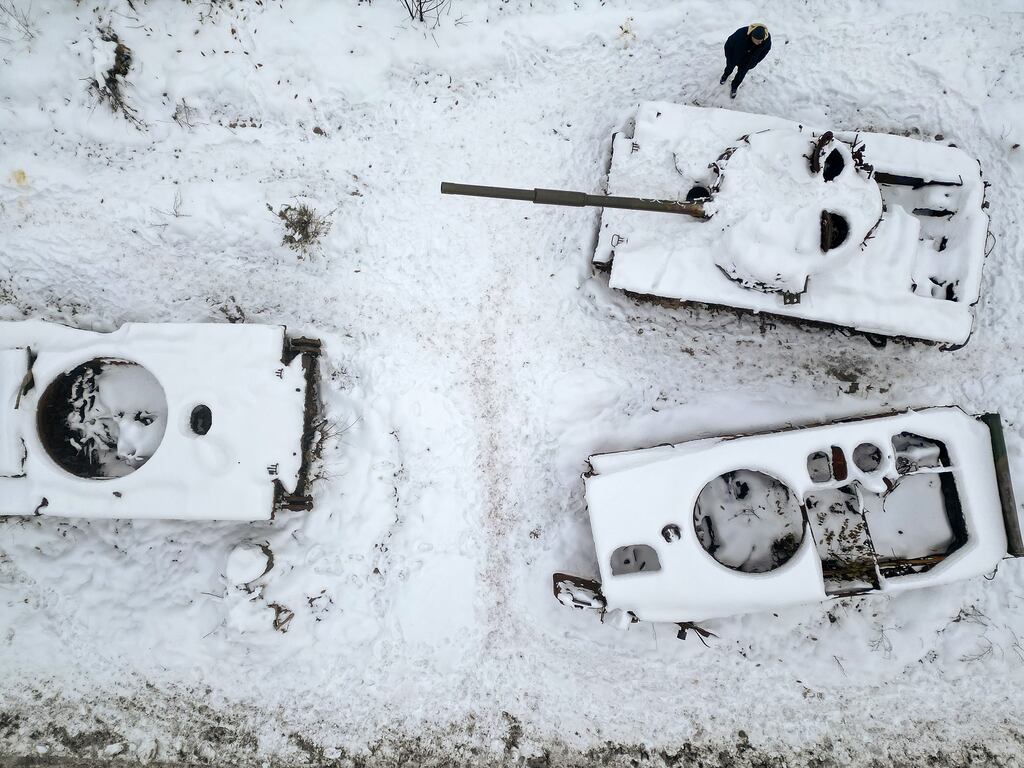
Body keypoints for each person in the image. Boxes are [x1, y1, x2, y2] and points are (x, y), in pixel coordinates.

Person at [721, 23, 772, 98]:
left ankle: (734, 87)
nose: (760, 43)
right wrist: (729, 57)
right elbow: (728, 44)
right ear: (752, 36)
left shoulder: (766, 39)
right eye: (757, 41)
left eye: (761, 40)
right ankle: (725, 75)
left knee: (741, 75)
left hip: (748, 62)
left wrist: (755, 61)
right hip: (734, 58)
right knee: (729, 67)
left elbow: (765, 51)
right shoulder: (741, 33)